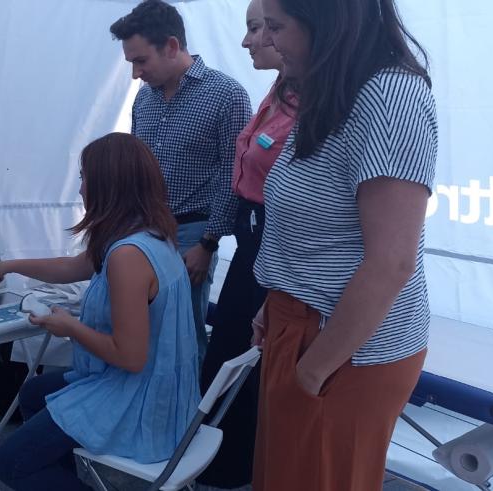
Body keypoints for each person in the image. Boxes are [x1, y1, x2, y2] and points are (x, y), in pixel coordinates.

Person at [251, 0, 438, 488]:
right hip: (305, 331)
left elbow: (391, 262)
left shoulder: (390, 95)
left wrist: (312, 372)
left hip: (341, 349)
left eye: (276, 26)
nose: (267, 41)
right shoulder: (331, 91)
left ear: (329, 23)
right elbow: (315, 218)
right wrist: (276, 302)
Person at [0, 133, 200, 490]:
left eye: (85, 177)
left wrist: (69, 327)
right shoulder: (149, 233)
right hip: (166, 390)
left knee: (11, 463)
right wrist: (10, 265)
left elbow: (129, 357)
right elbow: (74, 267)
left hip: (139, 399)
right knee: (34, 393)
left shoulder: (128, 256)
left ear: (109, 185)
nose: (81, 189)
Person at [110, 0, 252, 360]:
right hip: (143, 230)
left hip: (192, 235)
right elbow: (137, 168)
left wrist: (208, 243)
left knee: (182, 331)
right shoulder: (145, 99)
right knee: (141, 325)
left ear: (172, 46)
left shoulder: (227, 95)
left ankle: (185, 413)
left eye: (140, 61)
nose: (135, 73)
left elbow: (232, 175)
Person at [195, 0, 296, 488]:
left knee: (247, 357)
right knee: (226, 353)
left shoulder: (319, 102)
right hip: (250, 233)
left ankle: (235, 467)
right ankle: (218, 463)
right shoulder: (279, 89)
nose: (247, 40)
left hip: (273, 239)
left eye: (262, 27)